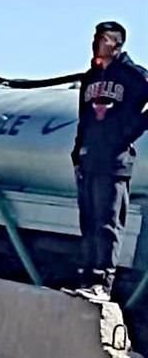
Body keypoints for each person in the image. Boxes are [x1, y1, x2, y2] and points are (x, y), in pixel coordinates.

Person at [69, 20, 148, 302]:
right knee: (88, 221)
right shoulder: (90, 78)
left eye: (102, 38)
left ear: (116, 43)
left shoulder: (133, 75)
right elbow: (83, 117)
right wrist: (78, 151)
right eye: (95, 37)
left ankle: (103, 280)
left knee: (107, 221)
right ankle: (87, 277)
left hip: (115, 160)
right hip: (89, 158)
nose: (96, 42)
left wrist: (129, 130)